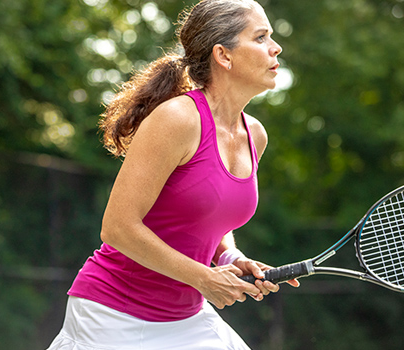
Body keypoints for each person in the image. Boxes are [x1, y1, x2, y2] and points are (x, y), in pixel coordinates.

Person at [47, 0, 299, 349]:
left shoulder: (254, 135)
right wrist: (204, 278)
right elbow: (117, 228)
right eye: (260, 37)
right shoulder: (177, 119)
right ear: (223, 56)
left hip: (186, 318)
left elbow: (211, 219)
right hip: (111, 315)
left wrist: (230, 258)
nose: (276, 47)